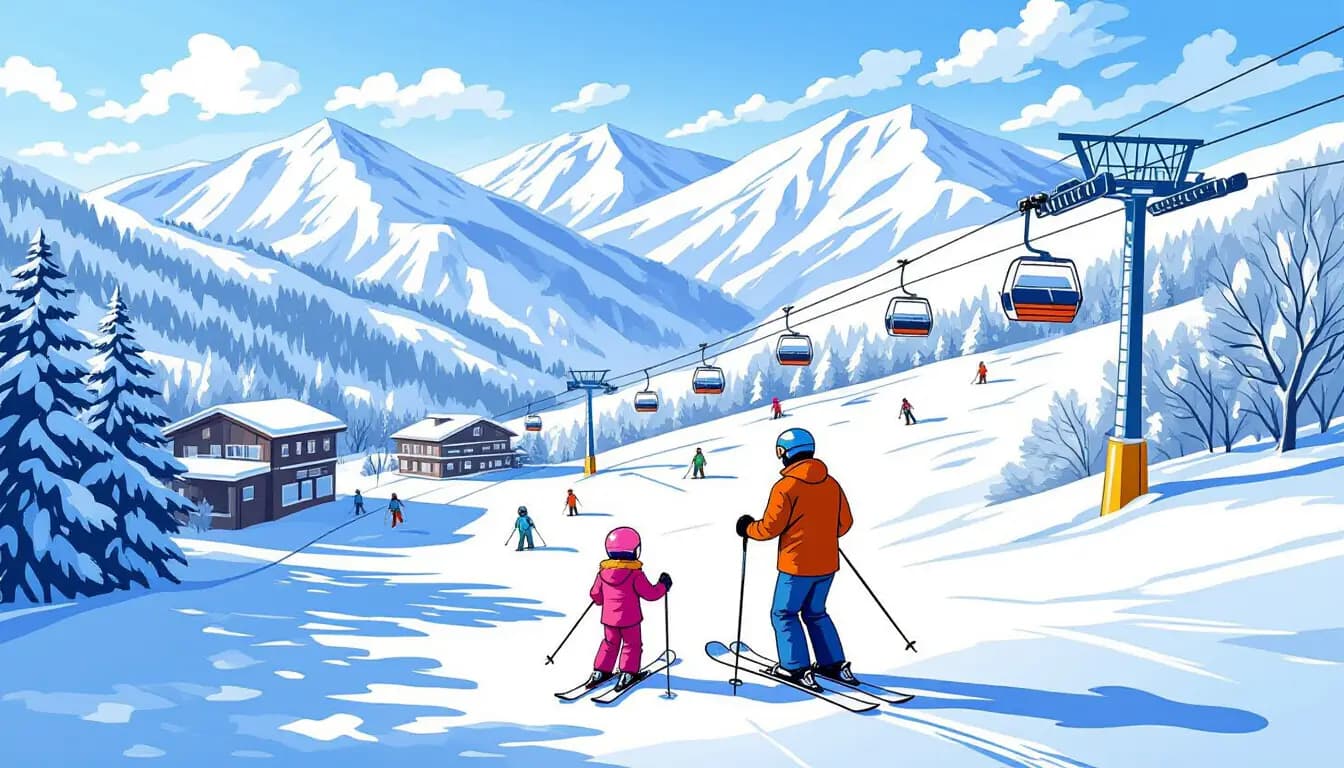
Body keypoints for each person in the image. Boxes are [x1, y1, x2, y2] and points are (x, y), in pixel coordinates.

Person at [736, 428, 855, 691]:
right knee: (816, 612)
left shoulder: (786, 486)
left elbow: (769, 528)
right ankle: (833, 663)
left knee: (784, 613)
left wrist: (747, 528)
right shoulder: (831, 483)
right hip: (827, 563)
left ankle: (795, 667)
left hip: (797, 565)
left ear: (783, 453)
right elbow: (844, 523)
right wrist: (822, 532)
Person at [587, 526, 671, 693]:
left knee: (609, 643)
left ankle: (600, 671)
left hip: (609, 619)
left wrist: (600, 599)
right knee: (631, 645)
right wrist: (663, 585)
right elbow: (650, 594)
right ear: (634, 551)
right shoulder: (635, 574)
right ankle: (628, 673)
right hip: (630, 619)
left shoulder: (603, 573)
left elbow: (595, 594)